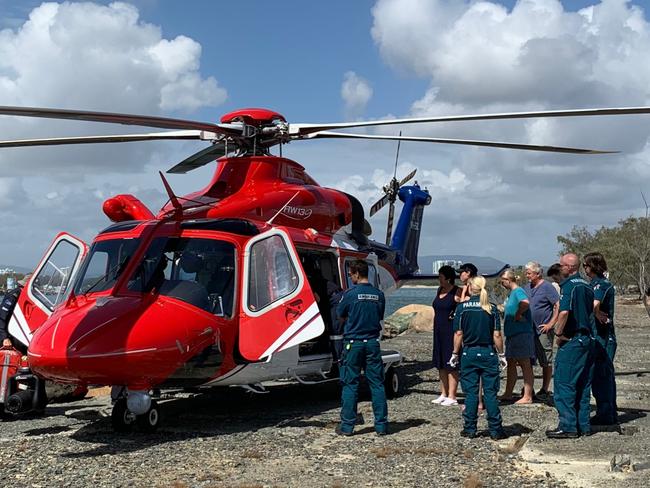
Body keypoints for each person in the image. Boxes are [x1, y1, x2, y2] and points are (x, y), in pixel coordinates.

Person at [449, 276, 507, 440]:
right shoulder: (491, 308)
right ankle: (496, 430)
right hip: (488, 352)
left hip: (469, 353)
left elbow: (458, 333)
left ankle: (470, 428)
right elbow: (497, 334)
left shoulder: (462, 308)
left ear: (470, 287)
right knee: (490, 393)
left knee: (471, 393)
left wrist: (454, 353)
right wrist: (501, 354)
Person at [335, 259, 388, 436]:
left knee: (350, 384)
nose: (350, 277)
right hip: (372, 342)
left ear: (357, 274)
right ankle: (381, 426)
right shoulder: (378, 294)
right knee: (377, 384)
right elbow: (379, 315)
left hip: (353, 343)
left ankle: (347, 426)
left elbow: (340, 315)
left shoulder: (349, 294)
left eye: (350, 274)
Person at [546, 253, 595, 439]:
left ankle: (567, 426)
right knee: (583, 384)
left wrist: (558, 333)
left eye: (562, 265)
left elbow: (564, 312)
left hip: (573, 340)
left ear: (569, 268)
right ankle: (584, 424)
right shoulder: (587, 285)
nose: (560, 267)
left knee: (564, 384)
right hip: (587, 339)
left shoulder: (569, 286)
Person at [583, 252, 618, 425]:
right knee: (601, 375)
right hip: (597, 335)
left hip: (603, 337)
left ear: (593, 266)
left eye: (586, 266)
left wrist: (596, 313)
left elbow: (595, 304)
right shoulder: (593, 284)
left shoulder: (601, 284)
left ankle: (606, 413)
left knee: (602, 376)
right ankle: (607, 411)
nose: (585, 269)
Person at [524, 261, 559, 400]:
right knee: (529, 360)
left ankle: (544, 388)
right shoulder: (526, 287)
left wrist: (551, 323)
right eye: (526, 273)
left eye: (529, 273)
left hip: (543, 330)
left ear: (538, 274)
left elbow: (557, 305)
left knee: (545, 359)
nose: (527, 275)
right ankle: (529, 388)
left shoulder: (548, 287)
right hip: (528, 330)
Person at [499, 268, 535, 404]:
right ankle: (508, 393)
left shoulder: (518, 291)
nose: (502, 284)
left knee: (525, 363)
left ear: (508, 280)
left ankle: (527, 396)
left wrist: (518, 314)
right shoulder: (511, 294)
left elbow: (525, 303)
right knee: (511, 363)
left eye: (503, 281)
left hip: (521, 333)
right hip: (512, 334)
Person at [431, 265, 462, 406]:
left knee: (451, 363)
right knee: (441, 362)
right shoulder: (439, 290)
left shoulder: (457, 291)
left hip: (450, 330)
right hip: (438, 330)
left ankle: (452, 395)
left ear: (448, 278)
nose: (439, 280)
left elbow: (463, 305)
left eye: (441, 277)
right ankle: (443, 393)